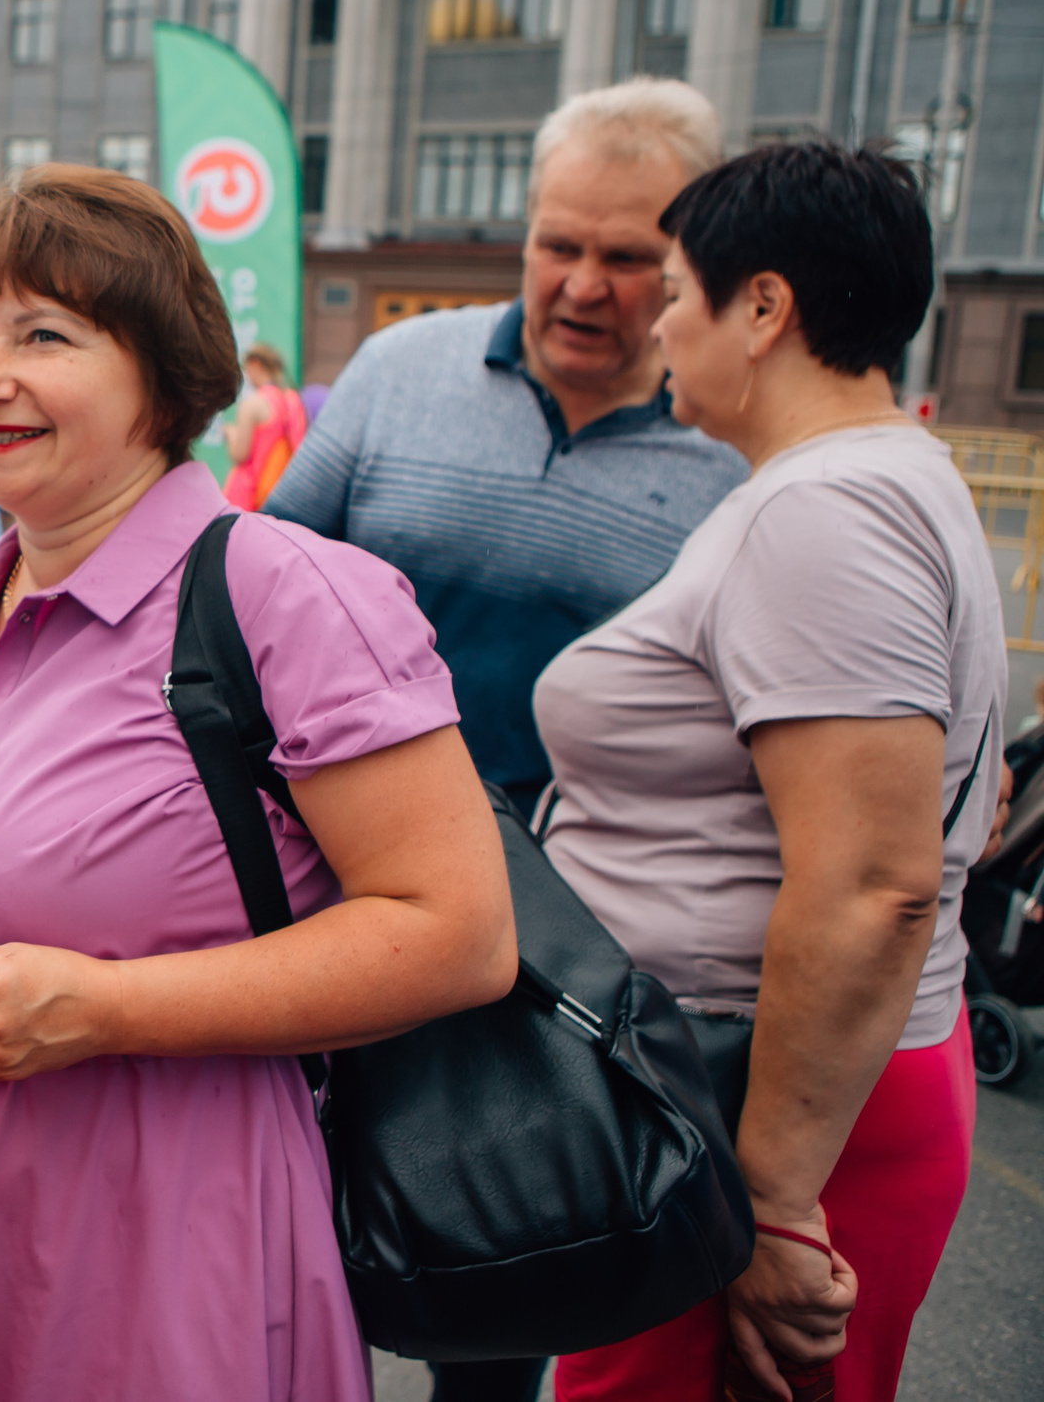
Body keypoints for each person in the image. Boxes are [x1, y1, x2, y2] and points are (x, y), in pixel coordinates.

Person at [0, 164, 513, 1401]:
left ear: (162, 374)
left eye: (43, 336)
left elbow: (458, 938)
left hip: (174, 1222)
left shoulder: (285, 593)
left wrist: (104, 1008)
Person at [539, 143, 999, 1402]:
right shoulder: (864, 483)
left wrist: (774, 1200)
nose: (658, 327)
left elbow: (871, 884)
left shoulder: (824, 512)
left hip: (769, 1103)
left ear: (763, 307)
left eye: (676, 290)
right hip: (763, 1084)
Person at [268, 78, 746, 818]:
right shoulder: (396, 368)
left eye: (625, 258)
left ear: (692, 261)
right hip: (344, 838)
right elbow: (264, 584)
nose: (583, 286)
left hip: (584, 874)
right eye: (559, 246)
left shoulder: (733, 453)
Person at [221, 343, 308, 510]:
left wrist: (231, 434)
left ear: (256, 364)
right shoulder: (291, 400)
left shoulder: (252, 403)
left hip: (246, 498)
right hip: (276, 493)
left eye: (246, 369)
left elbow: (240, 454)